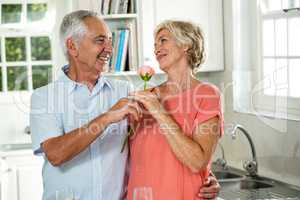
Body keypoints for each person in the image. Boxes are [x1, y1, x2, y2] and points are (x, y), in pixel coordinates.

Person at [30, 10, 220, 200]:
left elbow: (156, 150)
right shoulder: (44, 98)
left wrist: (202, 176)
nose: (110, 50)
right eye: (100, 41)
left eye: (110, 42)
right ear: (72, 46)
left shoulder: (127, 92)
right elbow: (55, 154)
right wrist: (107, 117)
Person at [127, 20, 223, 200]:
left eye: (163, 40)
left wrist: (158, 110)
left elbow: (196, 162)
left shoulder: (206, 95)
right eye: (155, 44)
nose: (156, 48)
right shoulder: (146, 96)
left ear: (186, 44)